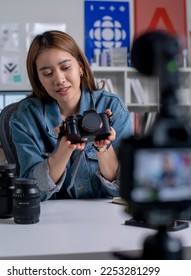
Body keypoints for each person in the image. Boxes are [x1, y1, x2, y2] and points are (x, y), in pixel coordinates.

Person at [10, 30, 132, 201]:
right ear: (38, 80)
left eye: (66, 68)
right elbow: (31, 192)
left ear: (80, 67)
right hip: (52, 220)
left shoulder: (112, 107)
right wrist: (64, 148)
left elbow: (123, 190)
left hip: (103, 216)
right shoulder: (25, 118)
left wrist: (103, 147)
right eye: (47, 74)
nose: (59, 79)